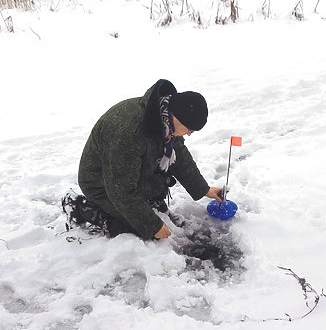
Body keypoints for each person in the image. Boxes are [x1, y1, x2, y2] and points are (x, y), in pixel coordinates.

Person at [62, 79, 223, 240]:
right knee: (138, 231)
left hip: (134, 173)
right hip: (101, 183)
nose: (188, 134)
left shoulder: (164, 119)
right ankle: (80, 207)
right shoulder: (128, 132)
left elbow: (179, 155)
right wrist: (152, 225)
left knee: (152, 201)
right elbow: (121, 190)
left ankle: (149, 203)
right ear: (177, 117)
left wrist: (203, 189)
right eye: (190, 129)